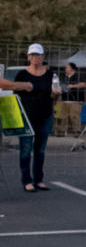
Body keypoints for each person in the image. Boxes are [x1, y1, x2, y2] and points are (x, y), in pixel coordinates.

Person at [14, 43, 61, 191]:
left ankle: (39, 179)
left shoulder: (50, 75)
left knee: (40, 150)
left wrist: (56, 93)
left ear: (42, 57)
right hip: (27, 117)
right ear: (28, 57)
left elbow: (54, 95)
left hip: (45, 115)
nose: (35, 58)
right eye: (33, 55)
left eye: (38, 55)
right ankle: (27, 180)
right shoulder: (22, 75)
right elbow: (15, 95)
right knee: (26, 149)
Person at [61, 62, 86, 135]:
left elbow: (83, 84)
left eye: (67, 67)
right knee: (64, 116)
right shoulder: (65, 77)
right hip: (65, 99)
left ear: (72, 68)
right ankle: (63, 132)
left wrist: (72, 86)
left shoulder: (78, 76)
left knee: (74, 116)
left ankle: (77, 131)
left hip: (76, 100)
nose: (65, 69)